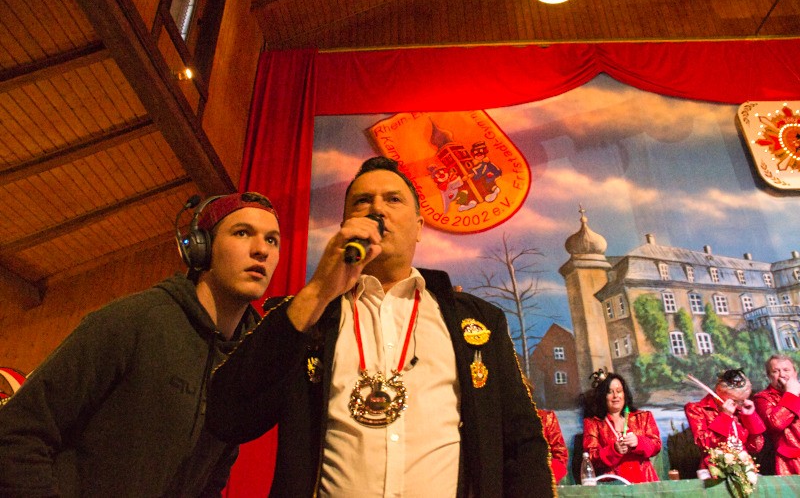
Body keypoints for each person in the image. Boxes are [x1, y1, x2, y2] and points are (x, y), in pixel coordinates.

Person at [206, 156, 555, 497]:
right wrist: (317, 292)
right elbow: (227, 416)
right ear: (344, 226)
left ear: (419, 227)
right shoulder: (308, 315)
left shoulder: (479, 321)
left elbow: (522, 443)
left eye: (393, 199)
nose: (377, 209)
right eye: (362, 202)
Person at [0, 192, 280, 496]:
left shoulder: (244, 364)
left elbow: (209, 485)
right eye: (242, 233)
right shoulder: (132, 321)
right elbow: (17, 432)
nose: (261, 250)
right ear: (202, 248)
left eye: (272, 240)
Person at [582, 371, 661, 483]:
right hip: (614, 485)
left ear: (624, 394)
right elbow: (590, 457)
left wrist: (638, 442)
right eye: (609, 392)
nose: (615, 396)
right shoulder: (593, 424)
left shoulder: (643, 417)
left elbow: (656, 446)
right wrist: (613, 450)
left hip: (645, 482)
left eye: (619, 391)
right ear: (603, 396)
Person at [685, 369, 766, 470]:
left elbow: (756, 446)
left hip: (743, 467)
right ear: (719, 393)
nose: (739, 404)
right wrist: (724, 416)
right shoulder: (697, 409)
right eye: (735, 400)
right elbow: (704, 444)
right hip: (713, 469)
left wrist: (750, 417)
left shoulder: (741, 409)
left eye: (743, 400)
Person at [753, 355, 800, 474]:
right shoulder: (762, 398)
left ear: (795, 373)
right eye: (775, 371)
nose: (782, 375)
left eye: (786, 370)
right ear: (769, 376)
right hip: (788, 463)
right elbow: (776, 424)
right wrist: (791, 394)